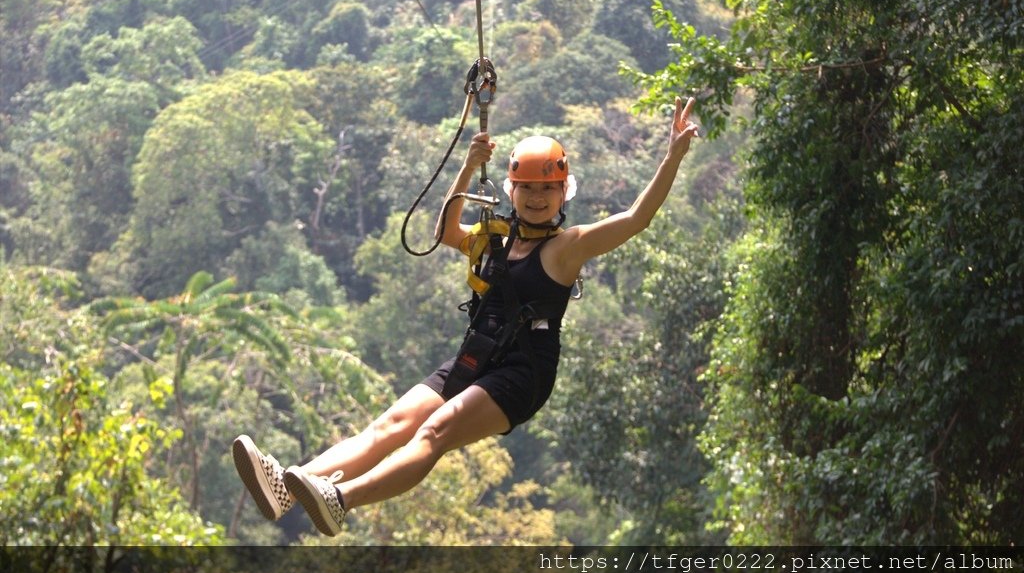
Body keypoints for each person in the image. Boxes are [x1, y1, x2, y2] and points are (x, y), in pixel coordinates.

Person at [232, 96, 701, 536]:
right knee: (389, 426)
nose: (537, 198)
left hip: (522, 373)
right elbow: (445, 230)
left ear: (563, 193)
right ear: (512, 190)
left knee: (433, 431)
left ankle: (341, 498)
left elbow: (637, 218)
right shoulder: (494, 237)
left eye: (548, 189)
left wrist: (672, 156)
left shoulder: (567, 248)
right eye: (528, 188)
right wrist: (468, 166)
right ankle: (287, 491)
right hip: (475, 358)